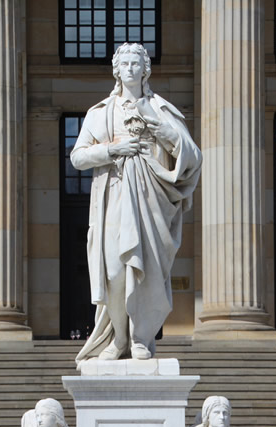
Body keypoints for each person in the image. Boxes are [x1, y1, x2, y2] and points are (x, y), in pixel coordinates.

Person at [71, 43, 202, 363]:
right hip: (114, 197)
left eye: (136, 63)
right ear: (116, 70)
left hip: (152, 202)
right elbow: (77, 157)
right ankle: (118, 338)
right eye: (124, 63)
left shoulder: (161, 109)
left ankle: (141, 337)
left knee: (149, 274)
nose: (130, 68)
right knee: (114, 271)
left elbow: (192, 156)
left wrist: (156, 126)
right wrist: (113, 149)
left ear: (146, 70)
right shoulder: (100, 112)